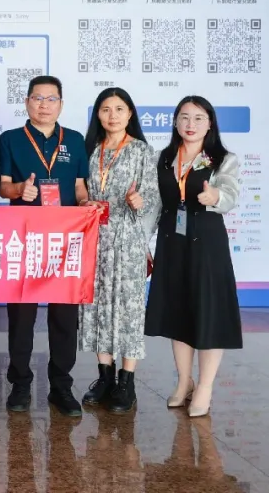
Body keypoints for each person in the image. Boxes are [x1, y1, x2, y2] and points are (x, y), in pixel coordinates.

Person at [0, 75, 89, 418]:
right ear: (27, 102)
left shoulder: (75, 140)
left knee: (65, 315)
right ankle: (20, 383)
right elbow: (3, 187)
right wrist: (20, 189)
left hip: (66, 239)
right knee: (21, 315)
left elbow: (79, 187)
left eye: (51, 99)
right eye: (37, 98)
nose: (44, 105)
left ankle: (61, 386)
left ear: (61, 104)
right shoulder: (10, 139)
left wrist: (86, 204)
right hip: (25, 237)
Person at [145, 95, 242, 418]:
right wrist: (143, 242)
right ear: (175, 122)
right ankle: (184, 381)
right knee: (178, 311)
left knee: (209, 312)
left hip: (207, 244)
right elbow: (155, 205)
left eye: (198, 118)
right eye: (184, 117)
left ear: (209, 123)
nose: (191, 124)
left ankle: (205, 386)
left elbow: (230, 194)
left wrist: (216, 196)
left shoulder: (223, 159)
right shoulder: (163, 158)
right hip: (172, 243)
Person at [78, 87, 162, 414]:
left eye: (119, 109)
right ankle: (104, 377)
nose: (112, 116)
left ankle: (127, 381)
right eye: (105, 109)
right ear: (97, 115)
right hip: (94, 238)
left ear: (130, 114)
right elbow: (78, 189)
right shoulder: (89, 150)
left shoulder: (142, 151)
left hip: (128, 240)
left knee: (128, 309)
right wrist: (84, 202)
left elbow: (154, 199)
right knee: (97, 306)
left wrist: (140, 202)